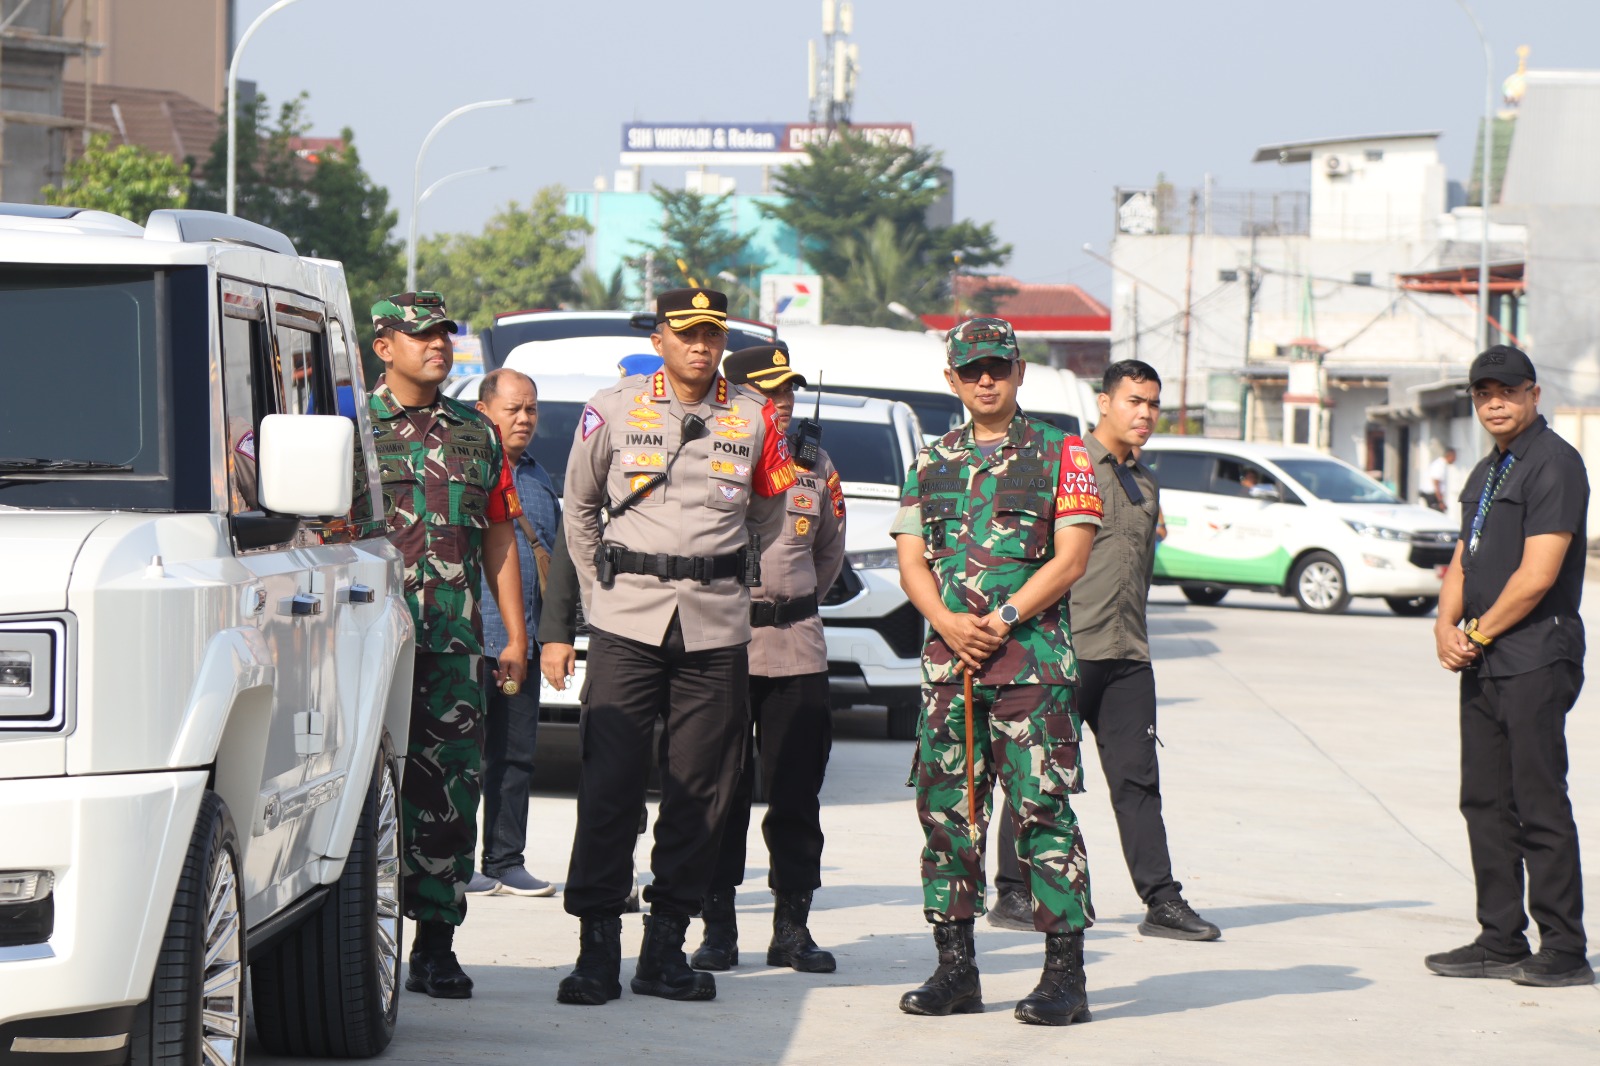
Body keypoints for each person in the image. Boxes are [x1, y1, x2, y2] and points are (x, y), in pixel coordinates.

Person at [557, 288, 797, 1006]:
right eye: (687, 333)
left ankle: (665, 950)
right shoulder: (613, 406)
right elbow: (580, 507)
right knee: (610, 786)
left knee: (702, 792)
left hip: (716, 627)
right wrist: (601, 597)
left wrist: (718, 569)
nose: (700, 346)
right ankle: (596, 950)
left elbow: (769, 512)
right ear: (659, 338)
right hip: (627, 622)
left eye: (712, 334)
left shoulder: (755, 415)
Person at [891, 317, 1101, 1027]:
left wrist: (1003, 618)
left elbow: (1072, 558)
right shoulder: (931, 461)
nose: (986, 380)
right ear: (951, 379)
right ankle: (956, 970)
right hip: (950, 670)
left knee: (1043, 813)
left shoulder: (1061, 452)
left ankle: (1065, 978)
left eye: (998, 367)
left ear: (1019, 373)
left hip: (1031, 668)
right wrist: (948, 624)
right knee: (948, 814)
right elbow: (912, 561)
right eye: (972, 369)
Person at [990, 361, 1221, 942]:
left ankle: (1161, 900)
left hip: (1128, 654)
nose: (1145, 414)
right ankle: (1013, 891)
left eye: (1153, 404)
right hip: (1064, 651)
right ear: (1103, 402)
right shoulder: (1063, 466)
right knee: (1037, 775)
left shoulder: (1147, 483)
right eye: (1133, 401)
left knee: (1138, 780)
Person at [367, 291, 528, 999]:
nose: (438, 344)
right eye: (422, 334)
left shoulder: (475, 432)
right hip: (364, 644)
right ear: (384, 348)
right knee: (357, 792)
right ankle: (354, 940)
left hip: (451, 642)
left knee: (449, 793)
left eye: (444, 334)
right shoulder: (347, 429)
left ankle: (435, 946)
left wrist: (514, 634)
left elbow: (498, 535)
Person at [1426, 344, 1593, 988]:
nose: (1494, 403)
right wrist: (1444, 626)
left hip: (1535, 656)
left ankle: (1565, 949)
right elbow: (1463, 561)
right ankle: (1500, 939)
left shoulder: (1555, 464)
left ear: (1533, 394)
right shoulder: (1488, 471)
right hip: (1485, 659)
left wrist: (1473, 632)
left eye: (1507, 391)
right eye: (1483, 393)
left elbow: (1538, 575)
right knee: (1485, 801)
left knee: (1537, 800)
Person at [690, 344, 846, 975]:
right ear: (736, 395)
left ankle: (792, 929)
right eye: (769, 390)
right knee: (719, 794)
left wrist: (790, 603)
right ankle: (718, 929)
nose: (782, 401)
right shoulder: (709, 450)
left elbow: (829, 553)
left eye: (788, 390)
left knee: (796, 796)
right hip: (721, 647)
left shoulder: (815, 463)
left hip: (796, 649)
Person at [464, 369, 561, 899]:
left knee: (515, 756)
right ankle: (454, 864)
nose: (524, 419)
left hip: (521, 646)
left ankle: (505, 861)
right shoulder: (463, 470)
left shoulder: (540, 478)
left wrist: (555, 637)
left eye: (531, 409)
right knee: (460, 760)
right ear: (483, 412)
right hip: (466, 643)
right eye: (513, 409)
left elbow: (557, 562)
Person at [1423, 446, 1457, 512]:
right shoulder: (1439, 465)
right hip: (1433, 496)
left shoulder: (1443, 465)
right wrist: (1440, 501)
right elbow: (1436, 483)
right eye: (1454, 457)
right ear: (1449, 455)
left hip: (1435, 496)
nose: (1455, 459)